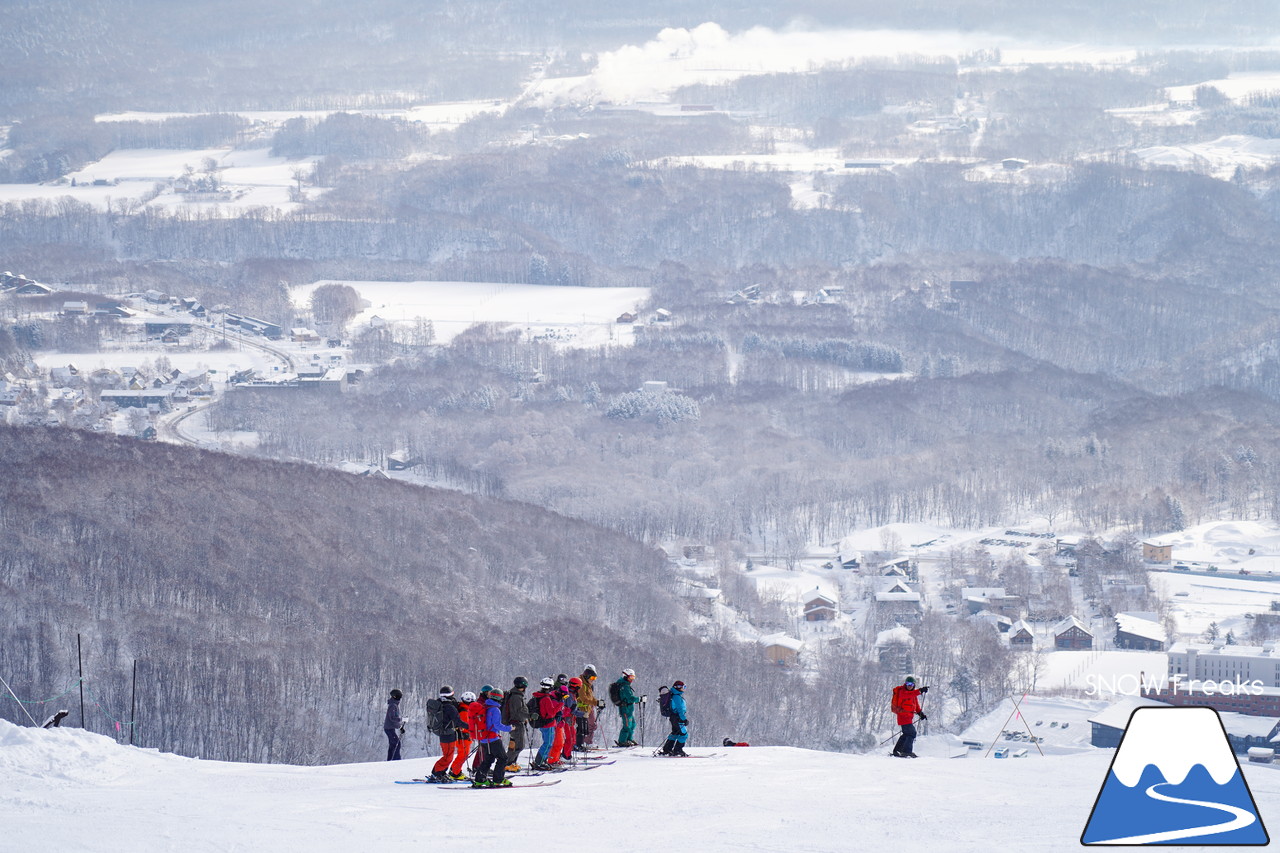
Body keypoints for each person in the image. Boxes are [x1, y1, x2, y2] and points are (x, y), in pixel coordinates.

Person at [472, 687, 513, 787]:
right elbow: (497, 725)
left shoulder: (484, 707)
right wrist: (509, 728)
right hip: (493, 739)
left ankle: (480, 779)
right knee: (503, 758)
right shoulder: (495, 710)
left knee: (488, 759)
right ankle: (498, 779)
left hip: (484, 739)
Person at [427, 686, 467, 782]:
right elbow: (457, 722)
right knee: (448, 757)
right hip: (448, 734)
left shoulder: (439, 704)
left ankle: (441, 773)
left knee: (448, 755)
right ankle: (436, 773)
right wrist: (470, 726)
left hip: (443, 733)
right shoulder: (450, 707)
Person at [891, 675, 928, 758]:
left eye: (911, 684)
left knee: (906, 734)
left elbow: (916, 706)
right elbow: (907, 695)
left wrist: (920, 714)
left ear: (914, 685)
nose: (909, 685)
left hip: (908, 717)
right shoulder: (903, 692)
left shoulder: (913, 694)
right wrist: (920, 691)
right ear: (905, 684)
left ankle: (897, 750)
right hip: (903, 716)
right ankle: (906, 752)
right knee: (912, 733)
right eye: (908, 683)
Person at [503, 676, 531, 773]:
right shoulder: (517, 697)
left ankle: (511, 763)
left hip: (515, 723)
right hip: (516, 724)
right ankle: (508, 763)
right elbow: (519, 711)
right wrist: (529, 715)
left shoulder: (515, 695)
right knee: (519, 745)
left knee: (514, 744)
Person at [530, 677, 559, 771]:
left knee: (547, 743)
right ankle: (539, 762)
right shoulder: (546, 698)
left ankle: (541, 760)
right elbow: (551, 712)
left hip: (543, 723)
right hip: (548, 724)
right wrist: (560, 705)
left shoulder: (538, 696)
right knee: (548, 743)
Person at [455, 691, 482, 777]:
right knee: (462, 755)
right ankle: (455, 772)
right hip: (463, 737)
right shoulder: (464, 711)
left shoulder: (464, 708)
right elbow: (466, 724)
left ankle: (456, 771)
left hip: (464, 737)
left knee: (463, 755)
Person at [614, 668, 639, 747]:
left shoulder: (626, 685)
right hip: (625, 709)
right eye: (630, 677)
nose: (632, 679)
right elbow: (629, 698)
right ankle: (622, 741)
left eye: (633, 677)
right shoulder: (624, 686)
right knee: (627, 726)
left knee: (633, 724)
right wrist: (639, 699)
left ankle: (629, 739)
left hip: (629, 709)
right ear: (625, 676)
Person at [577, 665, 599, 747]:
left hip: (589, 708)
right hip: (582, 709)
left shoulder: (588, 685)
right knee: (584, 727)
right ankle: (582, 743)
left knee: (592, 725)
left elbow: (591, 697)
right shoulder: (582, 685)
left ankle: (587, 742)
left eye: (595, 679)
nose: (593, 680)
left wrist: (598, 702)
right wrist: (596, 703)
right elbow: (584, 699)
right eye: (592, 678)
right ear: (587, 677)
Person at [383, 688, 405, 761]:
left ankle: (390, 760)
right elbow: (392, 718)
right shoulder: (393, 705)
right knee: (396, 744)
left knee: (393, 745)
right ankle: (396, 761)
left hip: (390, 728)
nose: (400, 699)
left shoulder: (394, 704)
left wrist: (400, 726)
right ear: (395, 696)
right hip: (389, 728)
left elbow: (393, 720)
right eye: (399, 697)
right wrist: (401, 719)